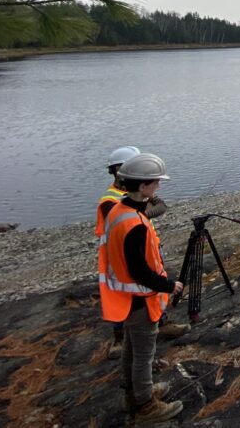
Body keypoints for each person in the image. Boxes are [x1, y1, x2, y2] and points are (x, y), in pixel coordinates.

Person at [97, 153, 184, 424]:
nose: (158, 186)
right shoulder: (133, 223)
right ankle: (146, 406)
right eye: (155, 182)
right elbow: (140, 270)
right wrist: (169, 285)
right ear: (143, 186)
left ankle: (134, 394)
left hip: (126, 296)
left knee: (131, 351)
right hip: (139, 297)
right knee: (143, 355)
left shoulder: (118, 211)